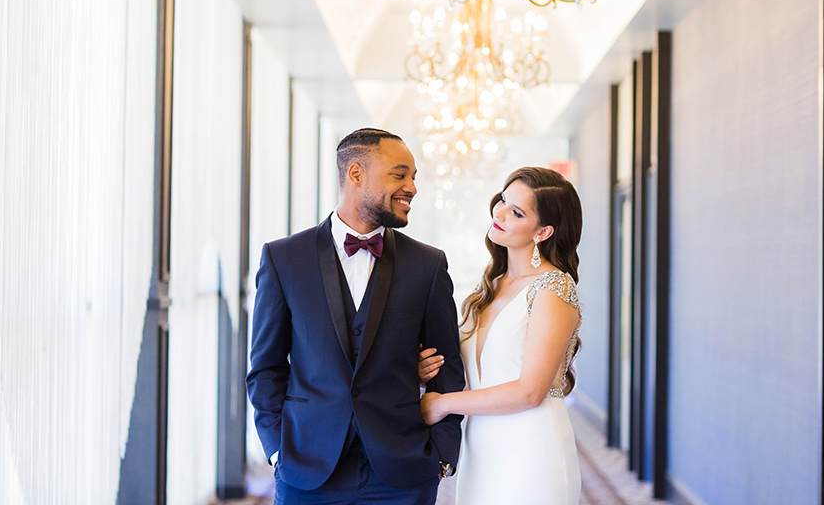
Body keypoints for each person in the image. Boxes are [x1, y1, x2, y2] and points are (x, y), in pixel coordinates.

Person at [247, 128, 465, 504]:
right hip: (307, 469)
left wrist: (442, 456)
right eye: (400, 174)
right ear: (356, 174)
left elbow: (448, 366)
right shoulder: (284, 259)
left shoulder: (427, 265)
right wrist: (277, 449)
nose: (412, 187)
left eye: (414, 177)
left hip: (403, 472)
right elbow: (265, 367)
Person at [418, 166, 583, 504]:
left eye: (517, 212)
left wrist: (442, 404)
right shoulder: (492, 284)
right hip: (482, 446)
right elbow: (480, 374)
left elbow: (529, 392)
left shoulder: (553, 287)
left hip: (532, 448)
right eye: (504, 200)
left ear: (543, 231)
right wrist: (425, 372)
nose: (500, 213)